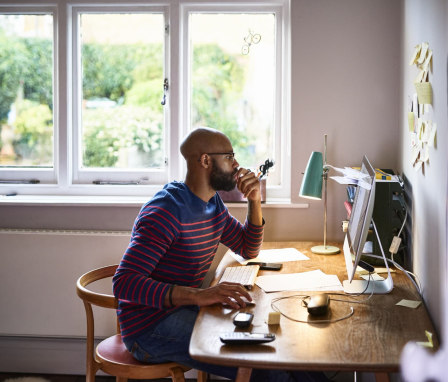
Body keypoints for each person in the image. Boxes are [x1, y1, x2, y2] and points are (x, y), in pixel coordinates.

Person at [113, 127, 329, 382]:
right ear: (205, 160)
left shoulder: (212, 204)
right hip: (149, 328)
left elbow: (247, 249)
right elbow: (123, 283)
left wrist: (254, 200)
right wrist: (200, 295)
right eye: (229, 157)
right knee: (268, 366)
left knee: (289, 349)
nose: (237, 164)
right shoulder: (166, 212)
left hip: (185, 310)